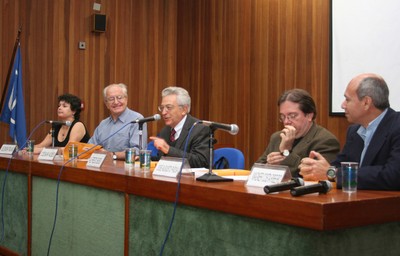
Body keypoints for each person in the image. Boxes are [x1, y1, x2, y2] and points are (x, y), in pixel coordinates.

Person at [299, 73, 400, 190]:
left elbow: (393, 175)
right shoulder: (354, 131)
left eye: (347, 99)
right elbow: (339, 165)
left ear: (366, 102)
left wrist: (332, 173)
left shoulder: (396, 126)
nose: (343, 105)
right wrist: (315, 168)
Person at [255, 89, 340, 177]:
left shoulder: (325, 141)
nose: (286, 122)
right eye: (282, 117)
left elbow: (308, 176)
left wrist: (286, 153)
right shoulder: (277, 137)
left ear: (309, 116)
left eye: (292, 116)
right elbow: (254, 171)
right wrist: (268, 166)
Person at [149, 86, 210, 168]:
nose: (163, 112)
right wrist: (144, 158)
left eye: (169, 107)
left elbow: (201, 161)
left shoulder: (200, 129)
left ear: (184, 109)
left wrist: (169, 150)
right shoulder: (165, 130)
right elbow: (163, 160)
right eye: (162, 108)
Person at [88, 83, 147, 160]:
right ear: (106, 104)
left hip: (126, 168)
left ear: (126, 99)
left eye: (119, 97)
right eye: (111, 99)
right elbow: (90, 147)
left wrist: (112, 155)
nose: (116, 102)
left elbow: (138, 151)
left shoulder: (137, 120)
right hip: (103, 167)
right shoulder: (103, 124)